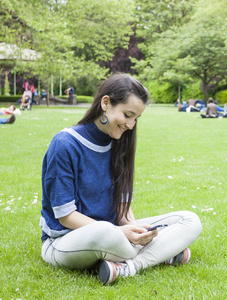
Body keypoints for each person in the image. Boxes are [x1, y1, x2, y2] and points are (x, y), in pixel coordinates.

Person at [40, 74, 202, 285]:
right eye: (128, 115)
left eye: (136, 118)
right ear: (105, 103)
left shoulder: (120, 144)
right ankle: (162, 254)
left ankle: (129, 267)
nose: (131, 125)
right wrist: (119, 232)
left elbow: (123, 211)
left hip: (115, 233)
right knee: (105, 231)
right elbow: (65, 216)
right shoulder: (65, 144)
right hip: (65, 240)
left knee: (190, 220)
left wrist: (136, 231)